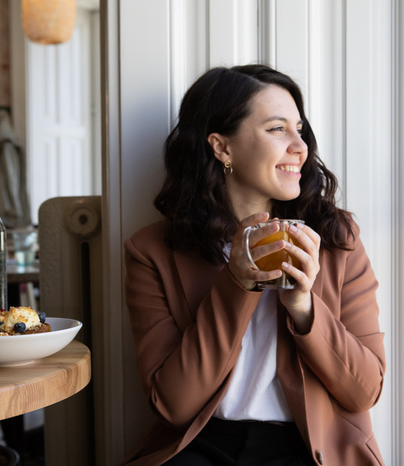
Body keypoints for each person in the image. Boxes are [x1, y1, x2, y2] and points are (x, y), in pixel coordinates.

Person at [123, 64, 386, 466]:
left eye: (299, 129)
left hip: (306, 447)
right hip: (199, 445)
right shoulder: (152, 251)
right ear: (222, 147)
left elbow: (364, 391)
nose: (300, 146)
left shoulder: (336, 240)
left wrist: (304, 307)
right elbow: (173, 405)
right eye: (277, 129)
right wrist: (236, 284)